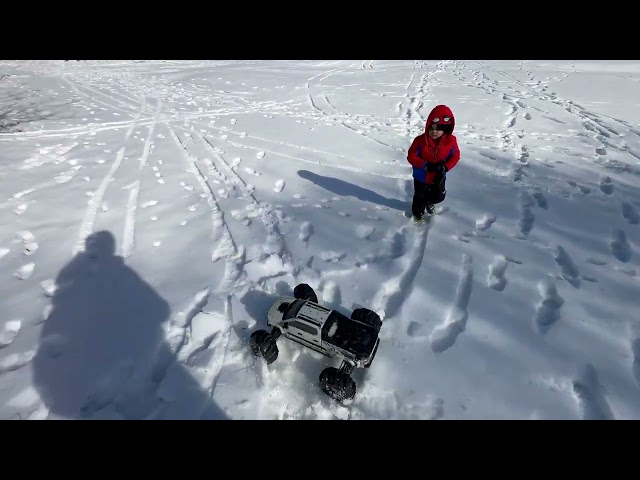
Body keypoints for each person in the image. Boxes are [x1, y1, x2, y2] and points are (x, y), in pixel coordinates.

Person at [406, 104, 460, 222]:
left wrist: (446, 167)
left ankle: (430, 202)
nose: (434, 131)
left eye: (438, 128)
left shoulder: (451, 142)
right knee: (419, 197)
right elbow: (411, 156)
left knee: (438, 196)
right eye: (432, 128)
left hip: (438, 176)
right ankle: (418, 214)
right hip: (421, 176)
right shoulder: (420, 141)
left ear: (445, 128)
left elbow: (455, 156)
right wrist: (424, 165)